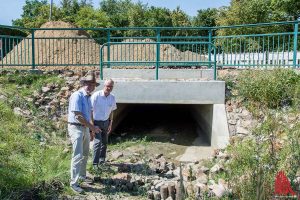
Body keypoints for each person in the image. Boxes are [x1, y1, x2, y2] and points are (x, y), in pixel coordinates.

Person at [67, 71, 101, 193]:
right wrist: (92, 128)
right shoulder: (77, 95)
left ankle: (81, 176)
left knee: (85, 154)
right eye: (88, 84)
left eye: (93, 85)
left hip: (84, 128)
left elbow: (88, 114)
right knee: (77, 155)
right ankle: (74, 184)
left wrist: (90, 129)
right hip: (76, 128)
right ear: (83, 83)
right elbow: (78, 116)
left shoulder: (88, 97)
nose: (90, 87)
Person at [91, 78, 117, 169]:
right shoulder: (96, 95)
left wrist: (111, 123)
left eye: (111, 86)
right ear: (104, 86)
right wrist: (92, 125)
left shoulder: (112, 97)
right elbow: (90, 110)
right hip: (96, 122)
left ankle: (102, 161)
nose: (109, 88)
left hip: (106, 122)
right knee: (98, 142)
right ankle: (95, 164)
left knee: (104, 142)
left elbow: (112, 111)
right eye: (107, 86)